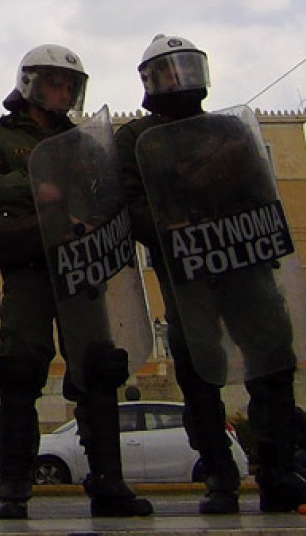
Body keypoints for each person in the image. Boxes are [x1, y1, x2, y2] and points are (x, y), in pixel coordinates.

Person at [115, 34, 306, 514]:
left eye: (183, 68)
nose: (176, 79)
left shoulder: (227, 130)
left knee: (273, 358)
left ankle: (277, 470)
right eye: (165, 72)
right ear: (149, 82)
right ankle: (220, 475)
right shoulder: (135, 139)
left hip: (245, 262)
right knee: (199, 367)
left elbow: (258, 190)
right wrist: (170, 219)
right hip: (187, 272)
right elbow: (127, 203)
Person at [0, 44, 153, 520]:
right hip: (28, 263)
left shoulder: (86, 142)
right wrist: (33, 184)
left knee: (99, 368)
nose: (63, 91)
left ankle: (108, 484)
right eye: (55, 83)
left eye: (70, 85)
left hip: (79, 262)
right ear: (31, 84)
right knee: (19, 365)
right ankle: (14, 485)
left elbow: (108, 193)